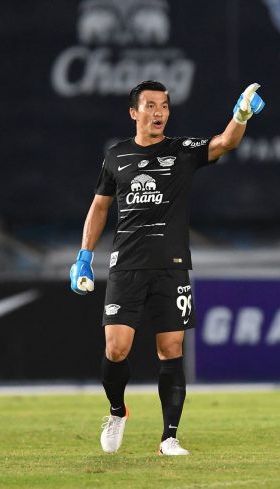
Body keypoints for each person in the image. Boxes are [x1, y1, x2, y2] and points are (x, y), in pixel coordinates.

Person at [69, 80, 265, 455]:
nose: (159, 112)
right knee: (116, 349)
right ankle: (117, 411)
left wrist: (241, 114)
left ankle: (169, 438)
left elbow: (226, 142)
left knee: (171, 348)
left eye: (164, 106)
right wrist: (84, 256)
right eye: (151, 105)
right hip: (126, 265)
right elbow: (99, 207)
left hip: (171, 266)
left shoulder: (181, 151)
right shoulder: (116, 156)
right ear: (134, 112)